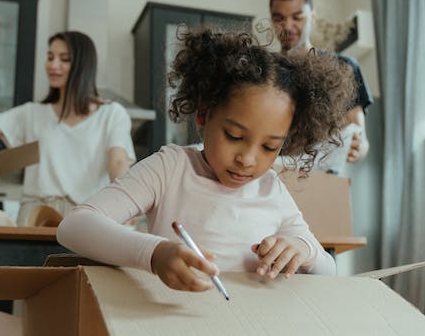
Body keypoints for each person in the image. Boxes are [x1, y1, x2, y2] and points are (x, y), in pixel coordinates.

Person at [57, 26, 355, 293]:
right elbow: (75, 226)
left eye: (269, 147)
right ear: (203, 113)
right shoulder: (170, 169)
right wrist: (155, 253)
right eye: (234, 136)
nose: (247, 160)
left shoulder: (271, 189)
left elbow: (329, 271)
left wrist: (303, 249)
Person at [0, 31, 135, 225]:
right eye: (49, 57)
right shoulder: (31, 113)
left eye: (64, 59)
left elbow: (117, 162)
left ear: (83, 65)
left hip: (87, 214)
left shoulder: (112, 114)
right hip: (35, 215)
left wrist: (128, 205)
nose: (53, 65)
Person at [269, 0, 373, 172]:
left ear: (312, 16)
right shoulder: (263, 69)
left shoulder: (343, 67)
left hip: (323, 179)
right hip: (272, 177)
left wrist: (358, 148)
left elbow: (360, 139)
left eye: (297, 17)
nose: (287, 26)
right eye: (279, 18)